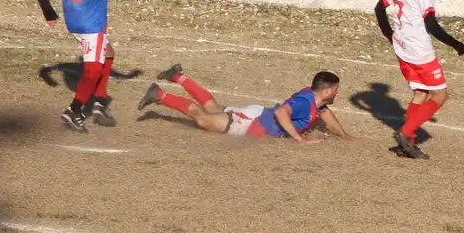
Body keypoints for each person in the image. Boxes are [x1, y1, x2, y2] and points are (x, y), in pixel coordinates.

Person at [34, 0, 151, 132]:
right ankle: (74, 111)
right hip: (92, 23)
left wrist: (48, 11)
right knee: (93, 70)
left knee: (108, 53)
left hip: (73, 20)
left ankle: (98, 103)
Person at [375, 0, 464, 159]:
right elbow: (431, 25)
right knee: (441, 95)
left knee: (420, 93)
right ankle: (405, 132)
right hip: (420, 50)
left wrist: (389, 34)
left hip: (401, 46)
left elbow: (379, 8)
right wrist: (455, 44)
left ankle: (408, 144)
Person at [139, 65, 352, 141]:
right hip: (251, 123)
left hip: (255, 115)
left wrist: (345, 136)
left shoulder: (315, 99)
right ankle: (159, 95)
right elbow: (282, 113)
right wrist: (299, 139)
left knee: (212, 108)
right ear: (327, 91)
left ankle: (177, 76)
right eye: (336, 89)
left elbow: (325, 114)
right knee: (205, 120)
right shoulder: (306, 101)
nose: (337, 92)